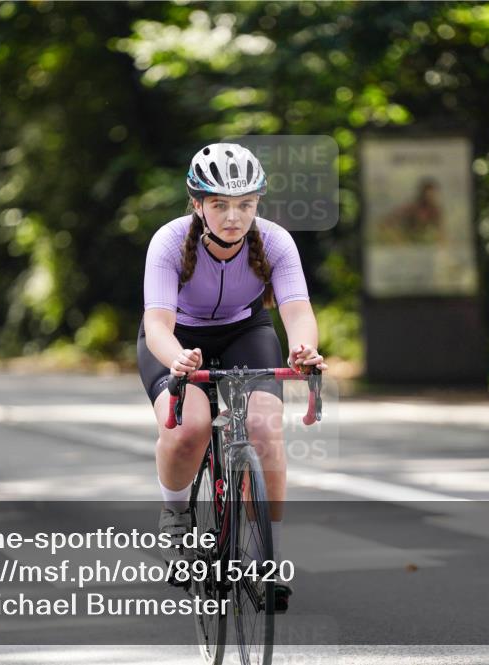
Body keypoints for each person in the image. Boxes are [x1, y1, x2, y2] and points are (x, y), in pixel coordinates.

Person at [138, 143, 328, 611]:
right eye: (220, 204)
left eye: (245, 204)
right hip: (178, 338)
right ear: (197, 204)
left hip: (246, 331)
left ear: (257, 203)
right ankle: (176, 516)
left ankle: (269, 558)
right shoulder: (168, 241)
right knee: (190, 429)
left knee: (265, 429)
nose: (233, 217)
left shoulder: (276, 242)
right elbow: (157, 324)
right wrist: (179, 359)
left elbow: (297, 311)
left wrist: (304, 349)